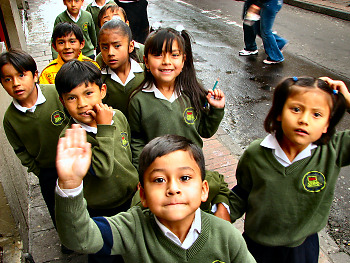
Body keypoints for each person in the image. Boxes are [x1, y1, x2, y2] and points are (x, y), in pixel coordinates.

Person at [55, 131, 256, 262]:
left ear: (204, 190)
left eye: (185, 177)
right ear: (142, 194)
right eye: (159, 180)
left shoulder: (226, 235)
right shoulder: (131, 228)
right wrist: (70, 185)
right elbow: (80, 239)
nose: (173, 188)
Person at [229, 76, 350, 262]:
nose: (304, 120)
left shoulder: (333, 151)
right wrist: (221, 213)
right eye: (296, 109)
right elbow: (242, 193)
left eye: (317, 114)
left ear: (327, 125)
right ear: (279, 112)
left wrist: (348, 100)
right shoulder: (256, 153)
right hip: (257, 246)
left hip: (301, 248)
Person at [128, 27, 231, 221]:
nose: (166, 61)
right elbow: (136, 142)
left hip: (190, 169)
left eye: (174, 55)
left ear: (183, 61)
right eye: (158, 55)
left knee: (195, 212)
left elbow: (205, 131)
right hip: (160, 172)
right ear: (146, 62)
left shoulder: (192, 94)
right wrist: (138, 174)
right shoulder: (139, 100)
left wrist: (216, 110)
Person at [55, 59, 139, 262]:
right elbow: (103, 169)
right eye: (72, 98)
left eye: (88, 93)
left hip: (130, 198)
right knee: (104, 253)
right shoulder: (72, 138)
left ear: (102, 90)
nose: (82, 104)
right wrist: (104, 128)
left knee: (132, 248)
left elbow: (129, 149)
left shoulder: (117, 117)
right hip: (100, 209)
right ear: (62, 101)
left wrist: (137, 175)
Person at [0, 49, 68, 230]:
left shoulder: (56, 94)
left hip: (74, 161)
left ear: (35, 75)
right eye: (8, 79)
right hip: (47, 171)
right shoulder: (10, 119)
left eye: (21, 75)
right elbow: (20, 150)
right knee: (56, 208)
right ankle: (65, 239)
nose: (16, 83)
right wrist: (38, 169)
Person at [98, 19, 144, 116]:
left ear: (131, 46)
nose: (110, 53)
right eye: (105, 47)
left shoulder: (145, 73)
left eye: (117, 46)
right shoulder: (98, 79)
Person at [239, 0, 288, 64]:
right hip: (260, 3)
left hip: (268, 2)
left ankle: (276, 57)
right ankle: (279, 42)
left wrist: (256, 5)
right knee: (255, 26)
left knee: (265, 31)